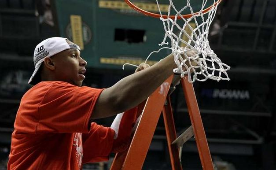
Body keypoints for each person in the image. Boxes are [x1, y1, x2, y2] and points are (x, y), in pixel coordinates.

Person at [7, 37, 196, 170]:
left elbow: (116, 138)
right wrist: (173, 60)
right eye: (73, 55)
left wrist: (151, 86)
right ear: (50, 63)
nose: (83, 61)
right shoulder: (45, 94)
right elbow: (116, 99)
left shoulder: (67, 124)